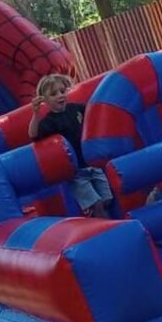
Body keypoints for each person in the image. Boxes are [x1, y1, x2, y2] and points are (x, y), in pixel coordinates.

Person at [28, 74, 114, 218]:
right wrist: (36, 115)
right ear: (45, 100)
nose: (60, 95)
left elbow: (95, 113)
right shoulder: (48, 122)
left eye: (62, 91)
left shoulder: (76, 109)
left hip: (93, 165)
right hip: (76, 173)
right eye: (54, 94)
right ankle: (106, 226)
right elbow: (33, 135)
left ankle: (99, 220)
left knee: (107, 200)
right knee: (96, 204)